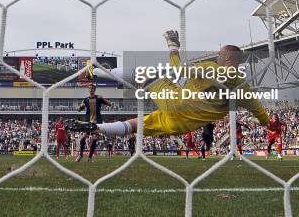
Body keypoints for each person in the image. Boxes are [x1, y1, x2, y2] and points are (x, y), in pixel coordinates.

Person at [67, 30, 270, 139]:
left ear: (225, 56)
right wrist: (266, 124)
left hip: (177, 103)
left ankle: (96, 72)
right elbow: (261, 114)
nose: (217, 56)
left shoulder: (213, 68)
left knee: (146, 74)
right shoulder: (245, 89)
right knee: (137, 125)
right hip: (183, 125)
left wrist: (173, 47)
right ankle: (97, 127)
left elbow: (179, 69)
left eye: (219, 54)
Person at [75, 83, 112, 162]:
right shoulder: (85, 100)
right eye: (89, 88)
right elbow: (78, 109)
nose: (91, 89)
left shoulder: (98, 98)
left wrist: (103, 98)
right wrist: (80, 107)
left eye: (92, 88)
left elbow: (110, 104)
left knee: (95, 138)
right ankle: (80, 155)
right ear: (88, 89)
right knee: (83, 137)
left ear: (94, 89)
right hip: (88, 122)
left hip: (97, 121)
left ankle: (90, 157)